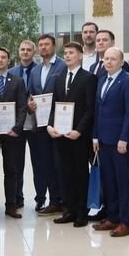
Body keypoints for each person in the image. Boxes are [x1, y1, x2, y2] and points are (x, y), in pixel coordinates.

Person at [91, 47, 129, 237]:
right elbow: (98, 110)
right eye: (106, 59)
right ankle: (113, 217)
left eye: (113, 59)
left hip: (120, 141)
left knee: (122, 181)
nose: (109, 62)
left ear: (121, 62)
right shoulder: (102, 80)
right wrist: (95, 136)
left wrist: (124, 138)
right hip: (103, 140)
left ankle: (126, 222)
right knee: (109, 180)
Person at [46, 42, 96, 227]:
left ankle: (82, 212)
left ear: (80, 55)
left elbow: (90, 109)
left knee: (80, 174)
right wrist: (50, 125)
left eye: (71, 53)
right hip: (60, 135)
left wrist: (79, 130)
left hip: (78, 136)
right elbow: (54, 105)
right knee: (64, 173)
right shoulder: (59, 78)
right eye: (65, 53)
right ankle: (68, 210)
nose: (67, 56)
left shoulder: (88, 78)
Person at [0, 47, 27, 218]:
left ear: (8, 60)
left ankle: (11, 205)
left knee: (11, 170)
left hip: (11, 134)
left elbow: (22, 107)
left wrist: (17, 128)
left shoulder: (18, 81)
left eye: (3, 57)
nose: (0, 60)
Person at [27, 34, 67, 214]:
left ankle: (65, 201)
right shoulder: (35, 70)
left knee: (61, 164)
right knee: (46, 164)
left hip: (59, 123)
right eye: (41, 45)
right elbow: (30, 94)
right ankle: (54, 201)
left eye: (47, 44)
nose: (43, 47)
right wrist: (29, 105)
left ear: (54, 46)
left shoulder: (63, 66)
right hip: (40, 125)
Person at [7, 39, 37, 208]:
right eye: (22, 49)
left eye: (28, 49)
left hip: (35, 122)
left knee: (38, 163)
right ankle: (18, 197)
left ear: (34, 52)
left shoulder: (39, 70)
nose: (25, 52)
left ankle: (41, 199)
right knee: (17, 163)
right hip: (16, 123)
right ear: (18, 51)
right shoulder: (11, 72)